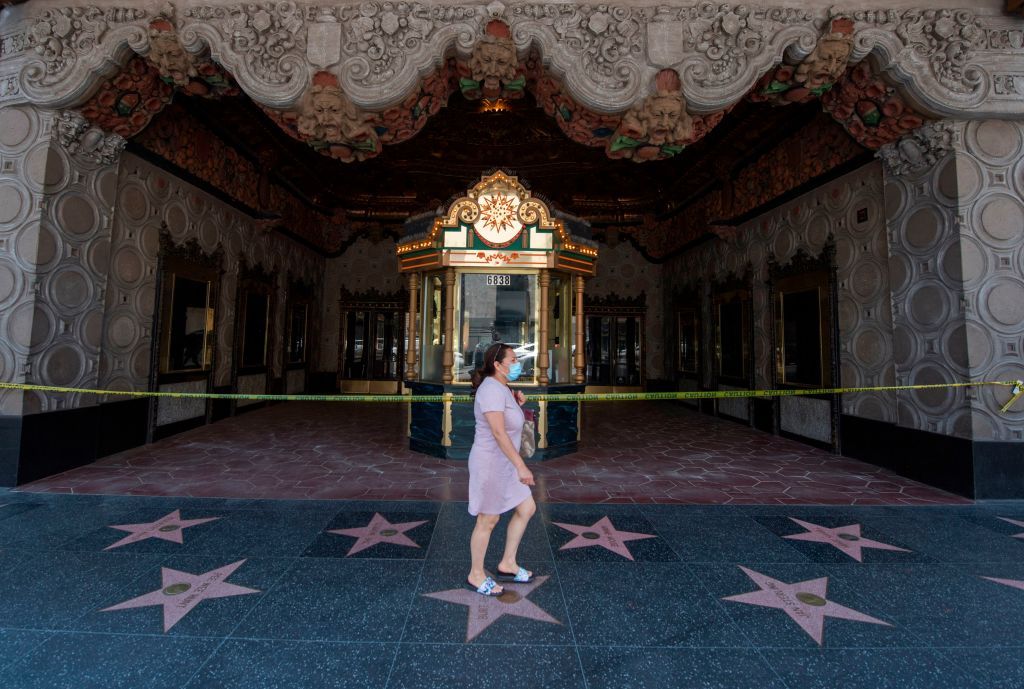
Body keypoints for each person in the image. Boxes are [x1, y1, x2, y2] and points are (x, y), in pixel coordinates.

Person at [466, 342, 537, 596]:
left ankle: (507, 562)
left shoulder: (502, 387)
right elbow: (497, 432)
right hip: (491, 464)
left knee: (527, 508)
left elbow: (507, 424)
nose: (517, 364)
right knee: (488, 519)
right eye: (513, 360)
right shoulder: (491, 390)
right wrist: (521, 467)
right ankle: (476, 574)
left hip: (505, 463)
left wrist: (517, 405)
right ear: (497, 364)